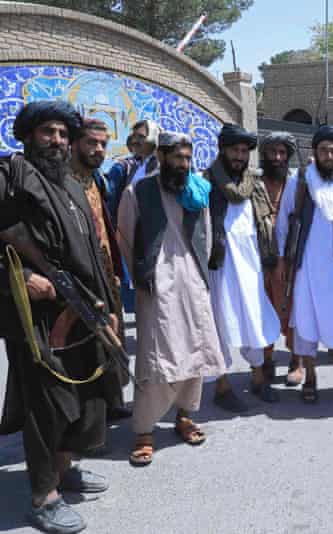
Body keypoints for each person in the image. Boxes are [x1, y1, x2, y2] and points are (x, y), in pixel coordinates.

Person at [0, 100, 121, 533]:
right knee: (47, 406)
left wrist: (106, 308)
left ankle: (63, 468)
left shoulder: (69, 182)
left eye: (61, 134)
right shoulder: (4, 177)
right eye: (47, 132)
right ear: (28, 134)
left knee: (86, 399)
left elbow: (92, 252)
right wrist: (19, 279)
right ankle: (43, 496)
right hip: (35, 318)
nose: (56, 141)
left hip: (82, 309)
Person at [117, 131, 226, 467]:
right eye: (178, 158)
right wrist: (142, 275)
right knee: (155, 354)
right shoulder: (139, 190)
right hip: (157, 282)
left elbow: (205, 232)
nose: (184, 164)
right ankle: (144, 430)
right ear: (162, 157)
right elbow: (124, 235)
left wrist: (201, 274)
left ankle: (184, 416)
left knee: (195, 348)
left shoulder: (197, 190)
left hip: (192, 279)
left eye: (188, 159)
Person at [274, 125, 333, 404]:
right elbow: (283, 220)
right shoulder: (301, 180)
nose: (328, 155)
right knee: (306, 322)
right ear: (315, 152)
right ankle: (310, 377)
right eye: (324, 150)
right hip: (308, 268)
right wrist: (281, 258)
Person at [206, 124, 282, 412]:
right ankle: (222, 386)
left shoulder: (255, 185)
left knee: (254, 318)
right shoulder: (207, 181)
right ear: (223, 150)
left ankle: (259, 378)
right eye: (234, 150)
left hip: (251, 265)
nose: (239, 156)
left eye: (243, 151)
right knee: (219, 322)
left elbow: (264, 223)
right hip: (219, 265)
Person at [69, 118, 132, 423]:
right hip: (82, 275)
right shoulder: (62, 181)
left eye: (103, 143)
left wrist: (117, 269)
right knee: (90, 342)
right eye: (91, 142)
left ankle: (113, 402)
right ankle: (87, 415)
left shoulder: (98, 180)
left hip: (108, 271)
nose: (98, 149)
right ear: (75, 143)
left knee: (113, 336)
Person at [258, 131, 302, 386]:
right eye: (272, 152)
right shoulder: (253, 182)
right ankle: (266, 359)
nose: (276, 157)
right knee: (265, 310)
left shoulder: (297, 182)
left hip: (292, 255)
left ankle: (296, 361)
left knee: (292, 309)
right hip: (261, 257)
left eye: (282, 152)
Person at [106, 119, 159, 221]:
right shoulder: (136, 166)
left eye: (141, 137)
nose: (135, 141)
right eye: (134, 136)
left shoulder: (159, 165)